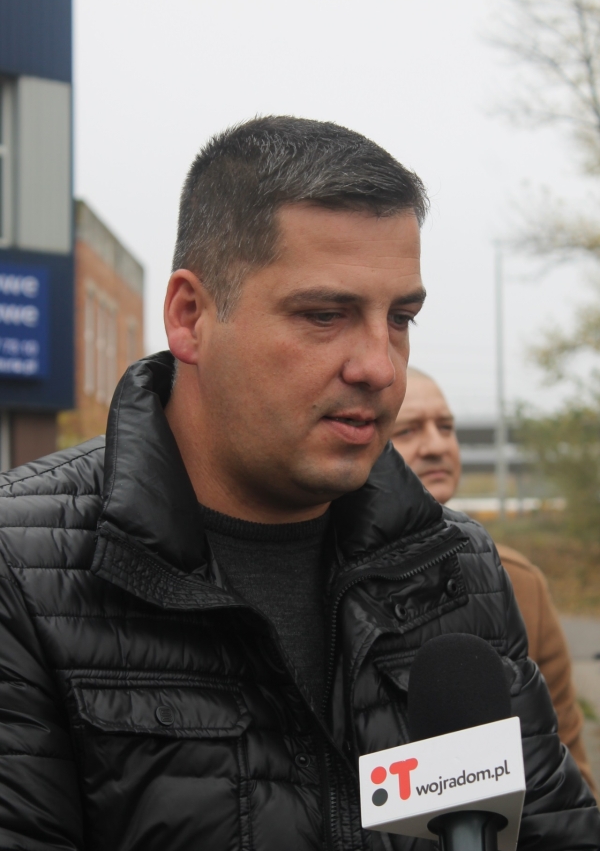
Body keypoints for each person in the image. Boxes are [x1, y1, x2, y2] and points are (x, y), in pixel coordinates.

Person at [0, 117, 596, 851]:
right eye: (324, 315)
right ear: (190, 315)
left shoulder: (457, 570)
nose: (379, 366)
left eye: (400, 317)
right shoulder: (22, 571)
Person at [391, 366, 596, 793]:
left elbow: (572, 775)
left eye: (446, 427)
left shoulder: (519, 582)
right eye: (408, 430)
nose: (436, 445)